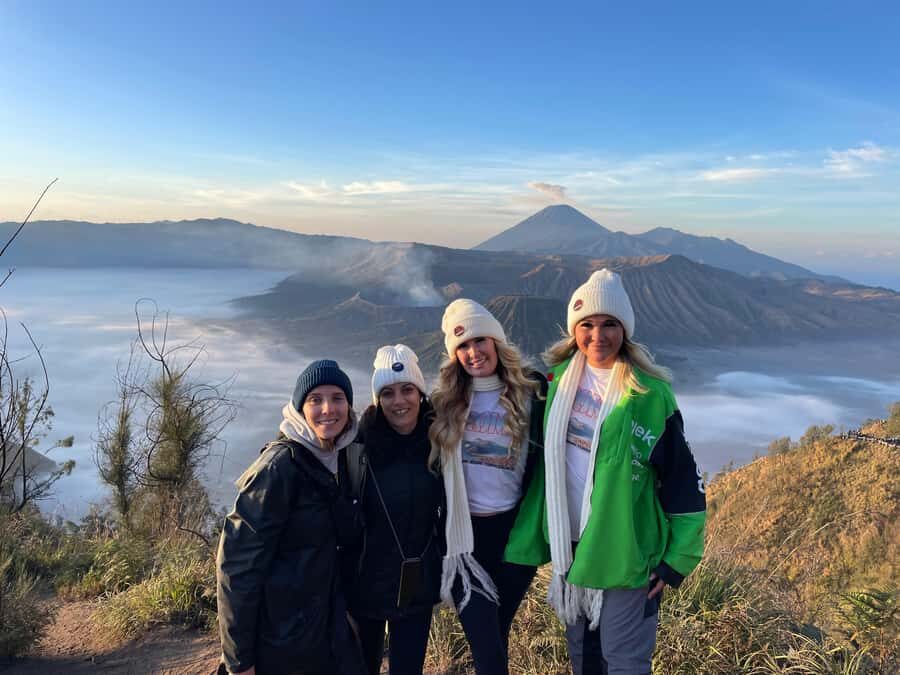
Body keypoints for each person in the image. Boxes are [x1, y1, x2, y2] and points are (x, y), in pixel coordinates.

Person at [505, 269, 707, 675]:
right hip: (573, 544)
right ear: (574, 330)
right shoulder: (554, 383)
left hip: (626, 551)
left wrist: (674, 562)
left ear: (625, 330)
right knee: (583, 656)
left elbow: (684, 483)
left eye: (610, 324)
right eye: (588, 325)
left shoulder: (650, 395)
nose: (598, 336)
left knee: (624, 660)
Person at [216, 359, 366, 675]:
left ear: (349, 406)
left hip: (324, 635)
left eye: (337, 398)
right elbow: (238, 566)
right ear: (300, 408)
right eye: (316, 400)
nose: (328, 408)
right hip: (282, 644)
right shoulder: (278, 468)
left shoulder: (337, 459)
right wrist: (239, 660)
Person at [429, 299, 546, 675]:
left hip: (514, 536)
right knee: (487, 645)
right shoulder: (445, 404)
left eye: (480, 340)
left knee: (496, 634)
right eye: (462, 345)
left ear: (497, 342)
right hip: (465, 541)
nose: (473, 352)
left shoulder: (533, 393)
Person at [347, 345, 444, 675]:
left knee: (408, 669)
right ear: (377, 399)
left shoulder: (440, 440)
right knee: (361, 667)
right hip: (366, 581)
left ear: (420, 392)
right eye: (387, 393)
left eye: (407, 389)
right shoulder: (358, 447)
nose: (399, 401)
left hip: (417, 577)